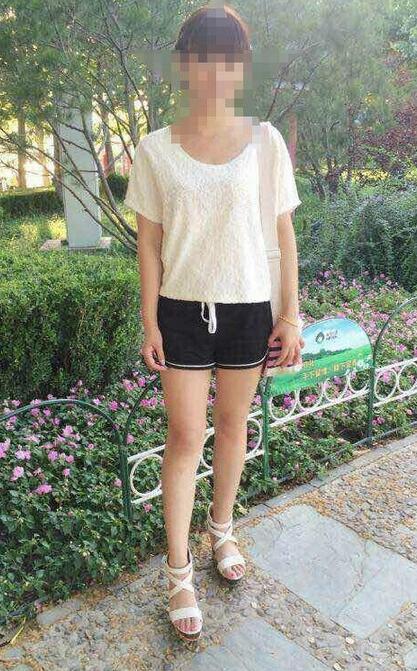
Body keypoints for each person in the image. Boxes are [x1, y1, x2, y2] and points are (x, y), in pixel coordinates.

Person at [124, 2, 303, 642]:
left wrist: (291, 314)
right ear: (184, 65)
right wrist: (149, 321)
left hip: (249, 308)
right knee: (185, 436)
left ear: (240, 66)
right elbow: (149, 244)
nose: (215, 71)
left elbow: (282, 233)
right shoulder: (155, 149)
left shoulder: (265, 142)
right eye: (203, 58)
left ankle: (221, 531)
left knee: (232, 429)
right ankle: (178, 572)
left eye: (228, 59)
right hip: (182, 311)